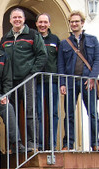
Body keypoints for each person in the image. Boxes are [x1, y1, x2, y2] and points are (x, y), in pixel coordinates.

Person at [0, 8, 47, 151]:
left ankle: (33, 144)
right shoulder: (5, 39)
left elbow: (42, 55)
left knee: (30, 112)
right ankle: (15, 145)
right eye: (14, 18)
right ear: (10, 20)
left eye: (19, 17)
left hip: (27, 79)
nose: (17, 20)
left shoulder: (33, 34)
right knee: (12, 114)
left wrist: (32, 73)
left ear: (24, 19)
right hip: (10, 82)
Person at [58, 10, 99, 151]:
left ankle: (95, 143)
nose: (74, 24)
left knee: (92, 113)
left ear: (82, 23)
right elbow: (61, 65)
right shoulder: (64, 43)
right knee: (69, 114)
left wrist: (93, 77)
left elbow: (97, 60)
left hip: (88, 82)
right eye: (72, 21)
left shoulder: (92, 40)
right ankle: (68, 144)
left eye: (77, 21)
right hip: (70, 81)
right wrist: (62, 83)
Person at [36, 13, 60, 151]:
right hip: (38, 82)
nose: (42, 25)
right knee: (39, 113)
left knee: (53, 113)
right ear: (37, 24)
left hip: (53, 82)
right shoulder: (34, 38)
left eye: (45, 22)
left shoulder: (55, 39)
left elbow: (60, 61)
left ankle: (52, 144)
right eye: (40, 22)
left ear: (49, 24)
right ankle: (40, 145)